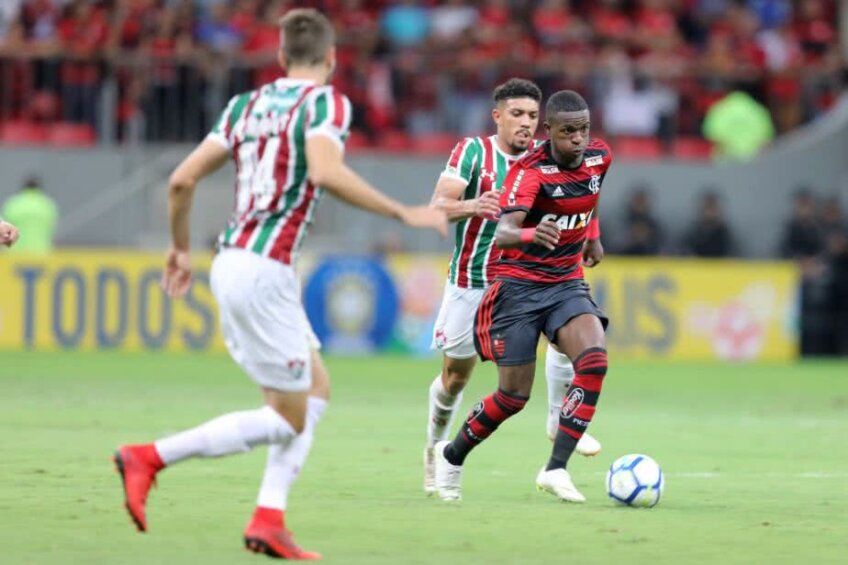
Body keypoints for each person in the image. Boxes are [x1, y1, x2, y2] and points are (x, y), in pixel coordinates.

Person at [113, 8, 446, 560]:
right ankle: (149, 456)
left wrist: (178, 248)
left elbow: (181, 179)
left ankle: (269, 517)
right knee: (287, 416)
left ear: (280, 58)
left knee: (314, 388)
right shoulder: (327, 102)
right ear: (333, 57)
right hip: (263, 270)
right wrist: (402, 213)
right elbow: (323, 170)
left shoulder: (245, 106)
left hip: (234, 262)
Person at [433, 90, 612, 503]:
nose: (578, 140)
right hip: (518, 286)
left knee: (595, 359)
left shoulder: (600, 156)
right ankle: (452, 454)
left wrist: (592, 236)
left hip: (566, 283)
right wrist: (533, 233)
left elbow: (592, 191)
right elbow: (505, 233)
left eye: (584, 130)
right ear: (549, 132)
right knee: (512, 397)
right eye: (568, 132)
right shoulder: (531, 172)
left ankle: (555, 469)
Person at [0, 176, 58, 254]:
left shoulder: (13, 205)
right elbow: (52, 228)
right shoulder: (48, 205)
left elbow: (4, 230)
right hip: (41, 252)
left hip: (16, 253)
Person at [685, 190, 733, 257]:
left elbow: (730, 255)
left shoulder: (724, 234)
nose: (710, 212)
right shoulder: (693, 233)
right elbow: (686, 251)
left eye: (712, 208)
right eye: (707, 207)